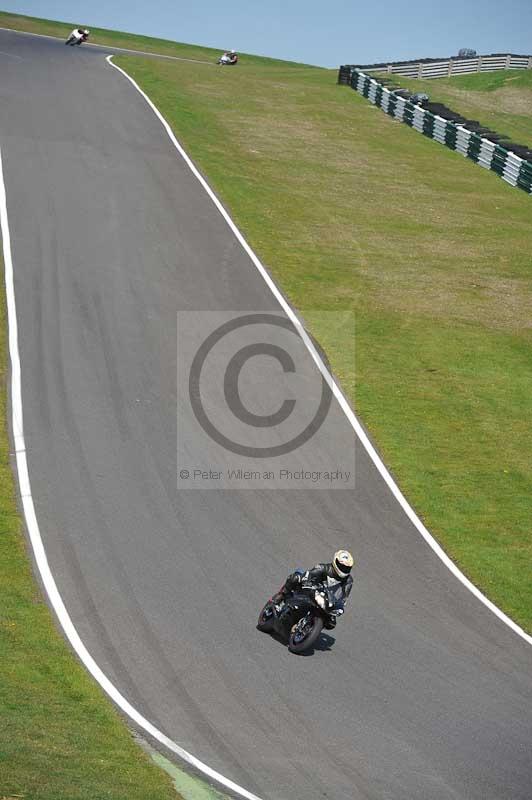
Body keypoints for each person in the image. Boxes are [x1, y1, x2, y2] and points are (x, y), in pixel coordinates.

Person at [273, 549, 354, 609]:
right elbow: (309, 574)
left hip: (326, 600)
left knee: (331, 623)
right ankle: (282, 595)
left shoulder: (348, 580)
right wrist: (307, 582)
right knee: (296, 578)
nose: (344, 569)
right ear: (335, 561)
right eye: (342, 566)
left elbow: (344, 597)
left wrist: (340, 606)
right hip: (311, 589)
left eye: (347, 568)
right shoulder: (323, 568)